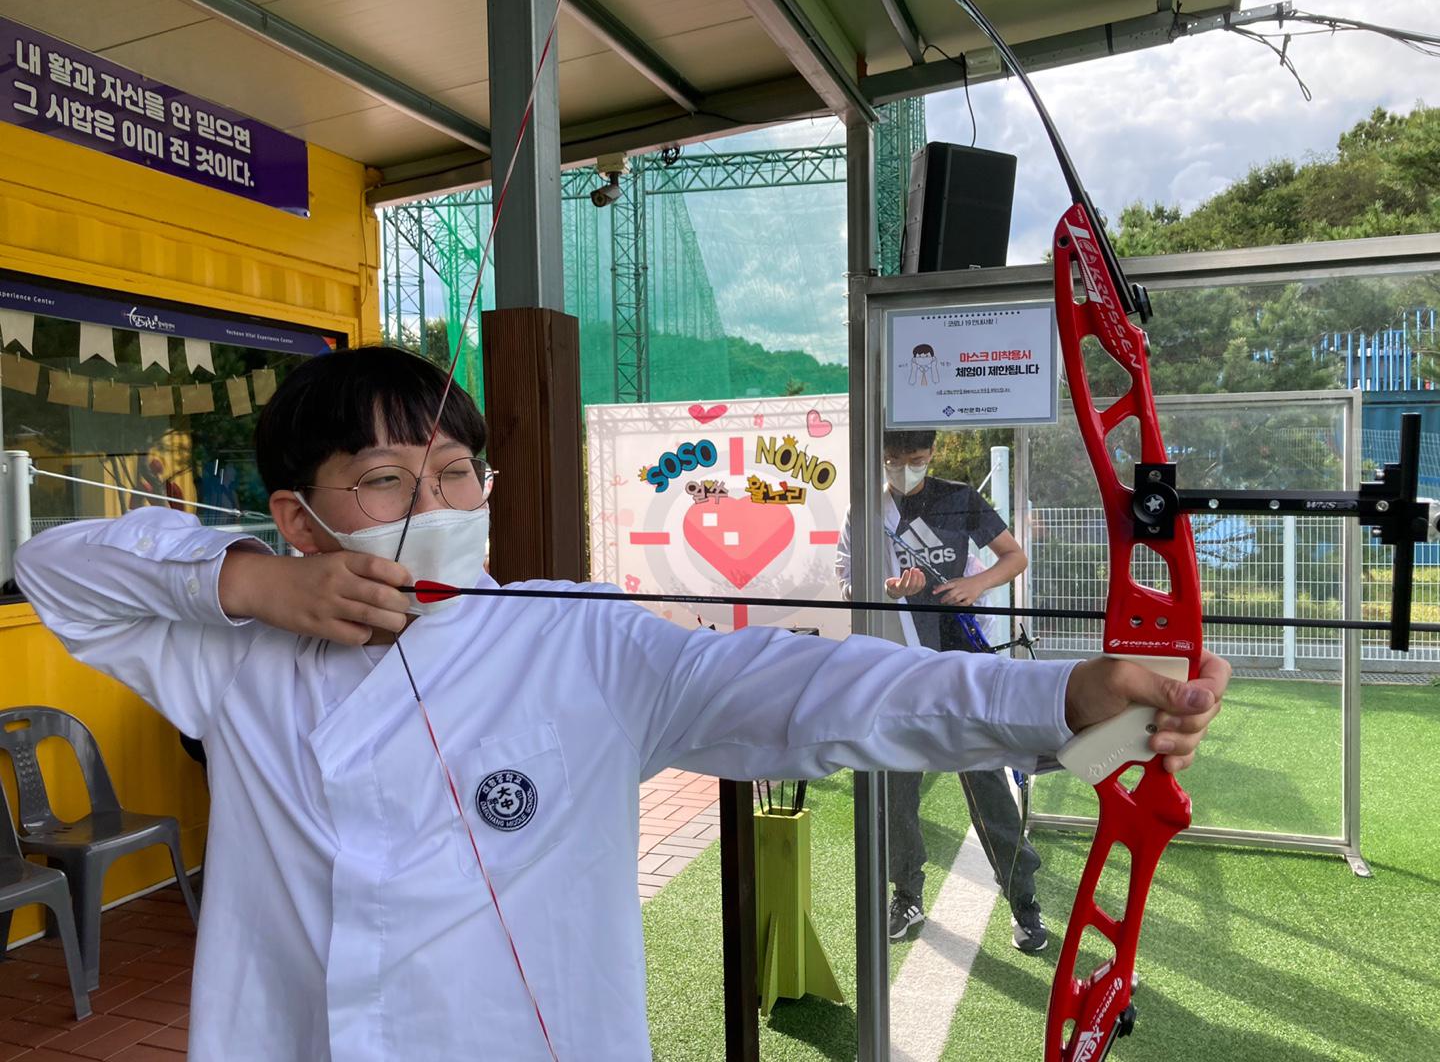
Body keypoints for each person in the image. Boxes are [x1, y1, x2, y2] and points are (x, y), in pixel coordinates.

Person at [14, 347, 1228, 1060]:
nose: (437, 504)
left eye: (457, 473)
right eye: (385, 480)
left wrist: (1055, 696)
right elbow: (56, 566)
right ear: (299, 515)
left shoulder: (574, 638)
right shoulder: (237, 653)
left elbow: (812, 690)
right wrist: (252, 584)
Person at [836, 429, 1047, 951]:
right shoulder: (865, 509)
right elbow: (846, 581)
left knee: (986, 783)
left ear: (932, 454)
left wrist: (976, 584)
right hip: (899, 667)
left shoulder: (959, 497)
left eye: (915, 458)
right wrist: (888, 590)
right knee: (896, 787)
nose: (904, 468)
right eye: (893, 460)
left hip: (959, 664)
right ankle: (906, 893)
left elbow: (1013, 557)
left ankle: (1023, 900)